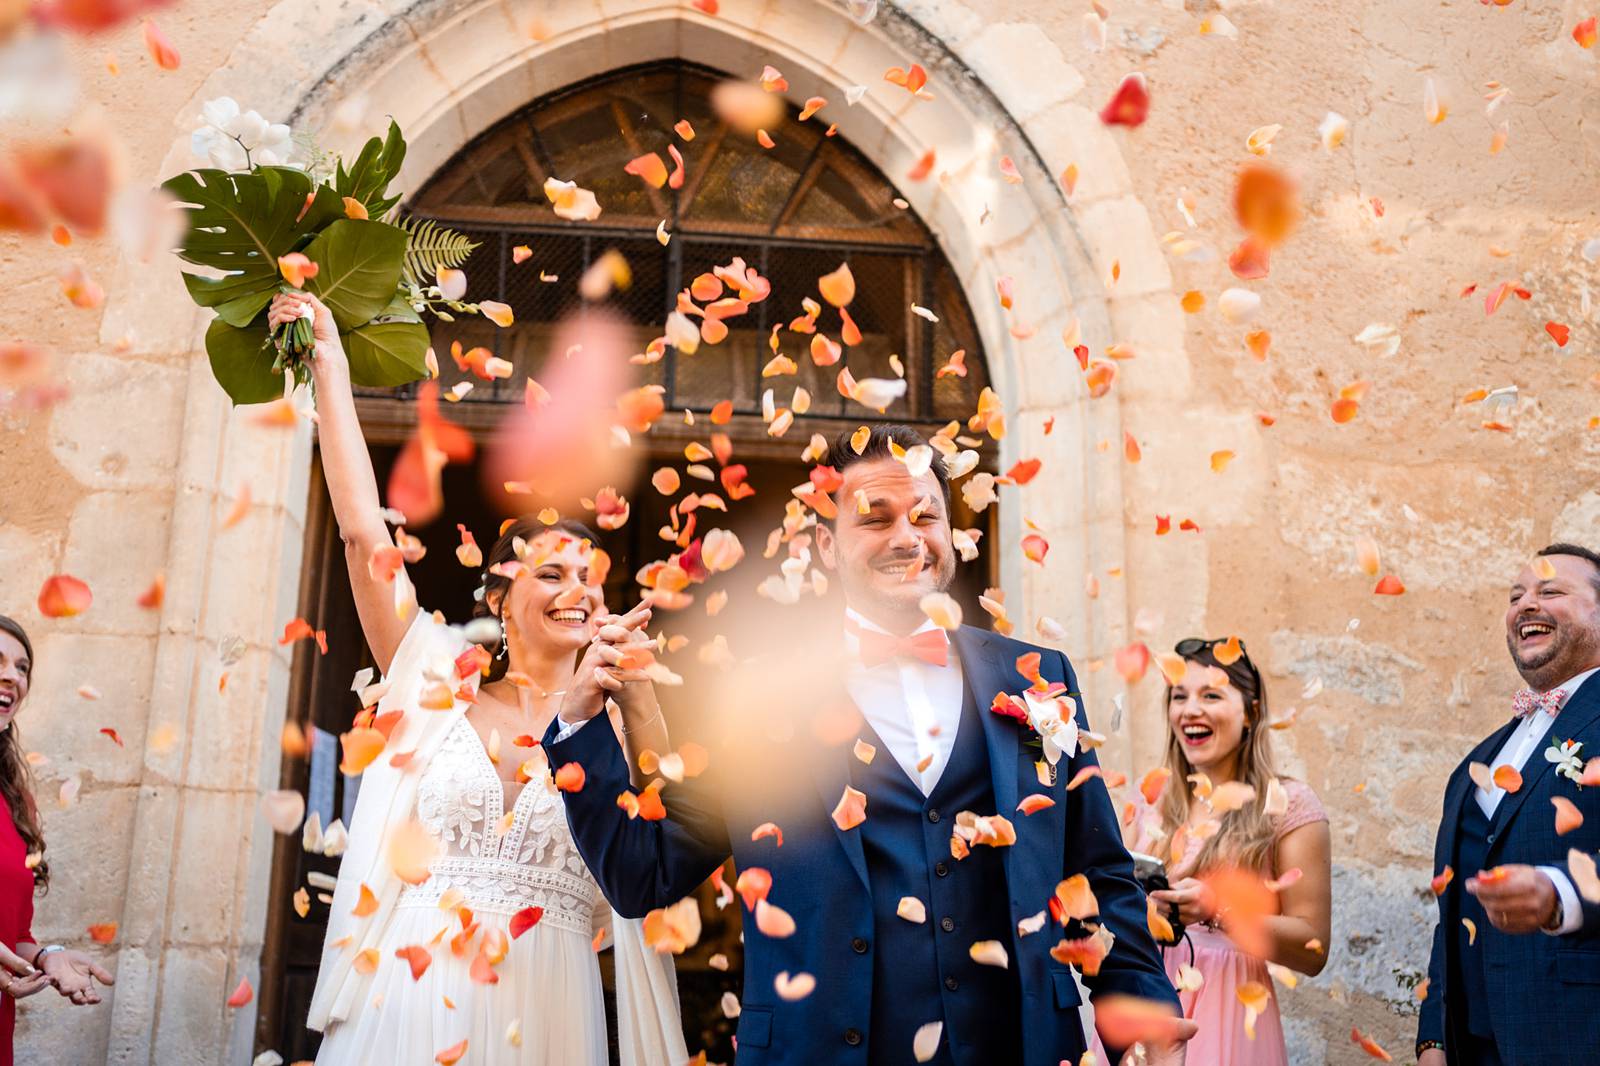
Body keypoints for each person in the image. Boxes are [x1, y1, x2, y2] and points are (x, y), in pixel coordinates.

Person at [546, 424, 1193, 1065]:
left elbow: (1098, 876)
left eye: (925, 516)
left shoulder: (1039, 680)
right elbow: (643, 873)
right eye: (875, 519)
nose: (907, 538)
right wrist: (579, 725)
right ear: (827, 544)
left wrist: (1142, 1015)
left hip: (1019, 1046)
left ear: (950, 533)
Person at [274, 292, 688, 1066]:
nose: (579, 589)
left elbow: (663, 854)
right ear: (497, 597)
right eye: (552, 572)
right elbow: (366, 533)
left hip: (551, 1001)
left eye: (589, 576)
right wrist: (326, 359)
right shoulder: (434, 677)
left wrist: (640, 700)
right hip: (408, 991)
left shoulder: (622, 718)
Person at [1417, 543, 1600, 1066]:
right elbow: (1452, 909)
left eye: (1551, 591)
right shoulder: (1481, 759)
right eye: (1516, 595)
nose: (1525, 604)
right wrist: (1434, 1037)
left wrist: (1561, 893)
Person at [1124, 637, 1331, 1065]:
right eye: (1179, 696)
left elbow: (1314, 948)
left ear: (1251, 712)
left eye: (1211, 695)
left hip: (1230, 1015)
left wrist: (1217, 909)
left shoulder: (1288, 804)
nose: (1190, 709)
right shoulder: (1152, 799)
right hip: (1146, 1009)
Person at [0, 615, 116, 1065]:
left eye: (22, 667)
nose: (12, 675)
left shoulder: (16, 802)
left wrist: (47, 956)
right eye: (1, 662)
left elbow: (15, 933)